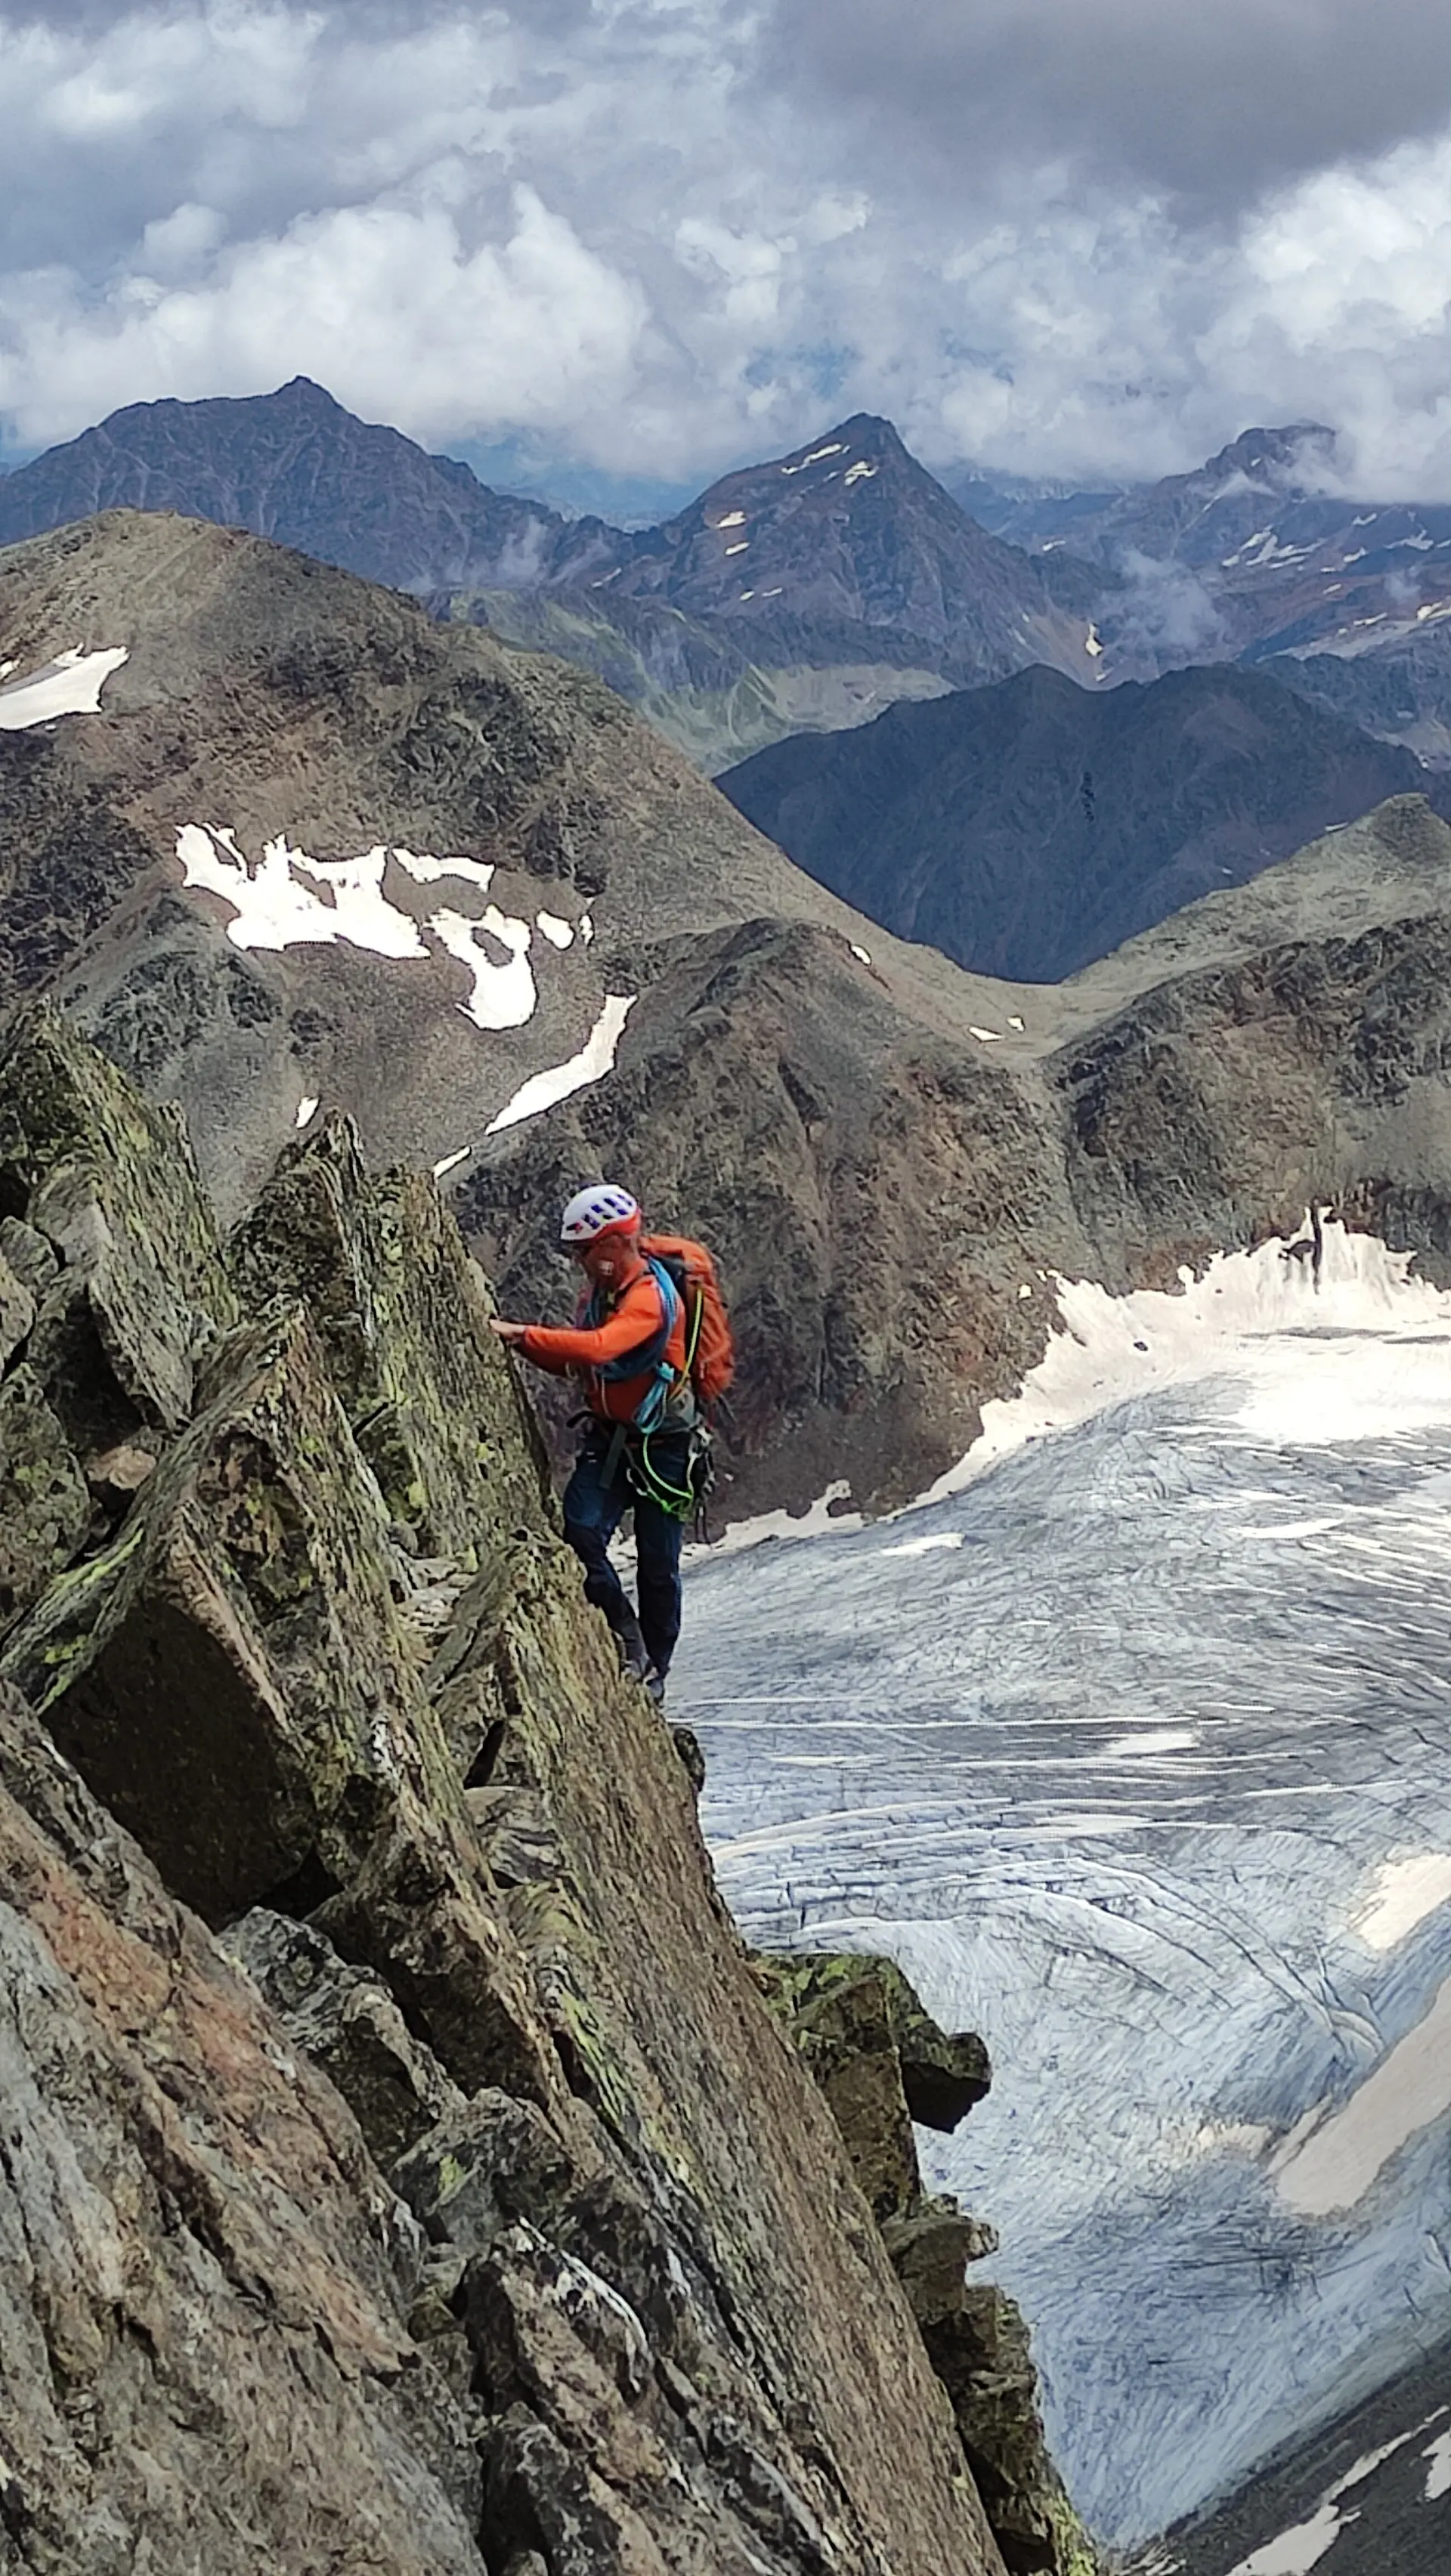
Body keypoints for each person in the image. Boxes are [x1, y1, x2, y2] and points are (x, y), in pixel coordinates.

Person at [490, 1183, 695, 1702]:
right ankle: (627, 1634)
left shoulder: (647, 1298)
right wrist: (526, 1346)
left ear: (613, 1244)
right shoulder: (602, 1297)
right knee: (580, 1528)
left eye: (584, 1249)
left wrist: (524, 1335)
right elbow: (580, 1358)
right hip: (613, 1439)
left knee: (658, 1564)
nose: (578, 1260)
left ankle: (655, 1669)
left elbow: (602, 1348)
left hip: (661, 1448)